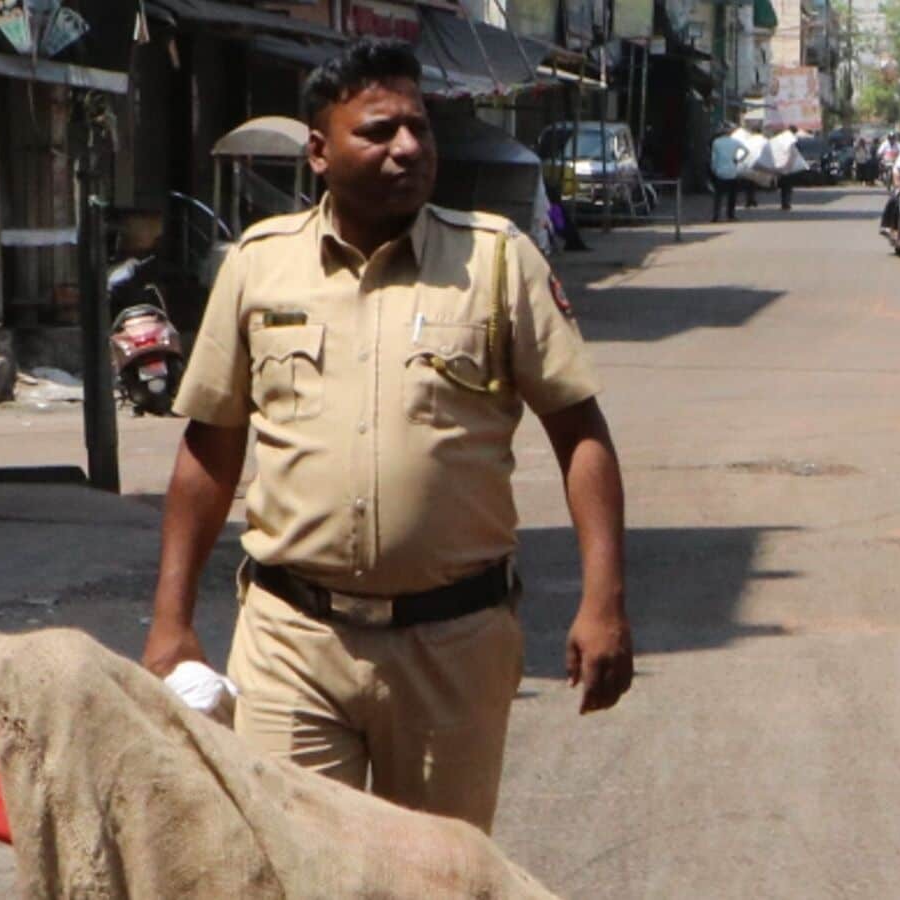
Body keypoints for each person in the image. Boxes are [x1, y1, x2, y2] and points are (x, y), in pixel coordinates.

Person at [141, 38, 635, 834]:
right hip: (290, 641)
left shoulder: (498, 262)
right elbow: (211, 447)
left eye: (419, 128)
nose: (408, 147)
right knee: (291, 870)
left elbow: (580, 431)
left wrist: (604, 601)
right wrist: (171, 621)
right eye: (378, 131)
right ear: (318, 151)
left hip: (453, 646)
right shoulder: (259, 266)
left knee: (434, 878)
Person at [710, 126, 744, 222]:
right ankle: (731, 215)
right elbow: (746, 151)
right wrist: (738, 160)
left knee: (718, 195)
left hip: (720, 170)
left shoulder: (716, 142)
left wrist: (713, 168)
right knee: (732, 195)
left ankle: (716, 215)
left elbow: (714, 157)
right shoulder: (735, 142)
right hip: (732, 170)